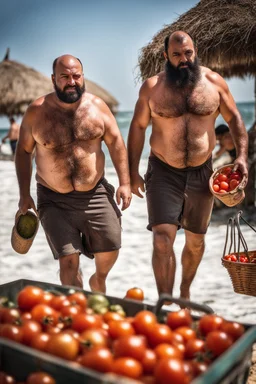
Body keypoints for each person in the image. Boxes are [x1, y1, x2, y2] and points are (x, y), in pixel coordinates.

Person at [128, 31, 248, 301]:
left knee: (195, 242)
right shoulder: (152, 88)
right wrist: (131, 173)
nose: (184, 59)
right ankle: (165, 300)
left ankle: (184, 290)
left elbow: (235, 119)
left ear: (195, 52)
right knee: (162, 239)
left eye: (188, 53)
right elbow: (136, 127)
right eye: (177, 55)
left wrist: (240, 156)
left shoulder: (214, 83)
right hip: (162, 170)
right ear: (165, 57)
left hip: (202, 172)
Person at [15, 54, 131, 292]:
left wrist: (125, 182)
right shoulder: (36, 112)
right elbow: (24, 153)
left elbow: (116, 142)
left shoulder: (98, 107)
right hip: (53, 197)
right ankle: (78, 312)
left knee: (111, 248)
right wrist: (24, 195)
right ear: (53, 79)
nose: (71, 82)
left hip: (94, 193)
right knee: (68, 261)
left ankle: (98, 279)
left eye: (76, 76)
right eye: (64, 77)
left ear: (82, 76)